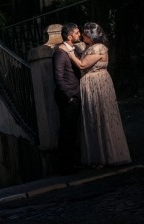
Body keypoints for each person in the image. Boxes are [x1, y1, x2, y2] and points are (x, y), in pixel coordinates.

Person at [61, 22, 131, 168]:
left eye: (85, 34)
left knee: (101, 117)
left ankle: (108, 155)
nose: (82, 36)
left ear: (91, 36)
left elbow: (82, 65)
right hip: (92, 85)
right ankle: (99, 155)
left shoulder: (98, 48)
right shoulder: (89, 47)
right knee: (94, 118)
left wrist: (69, 53)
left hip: (98, 85)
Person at [52, 23, 82, 175]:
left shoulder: (73, 50)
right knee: (67, 132)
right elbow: (58, 78)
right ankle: (65, 167)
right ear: (69, 36)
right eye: (77, 33)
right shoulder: (60, 53)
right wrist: (69, 97)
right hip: (68, 97)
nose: (80, 34)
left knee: (72, 131)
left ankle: (71, 163)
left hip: (74, 95)